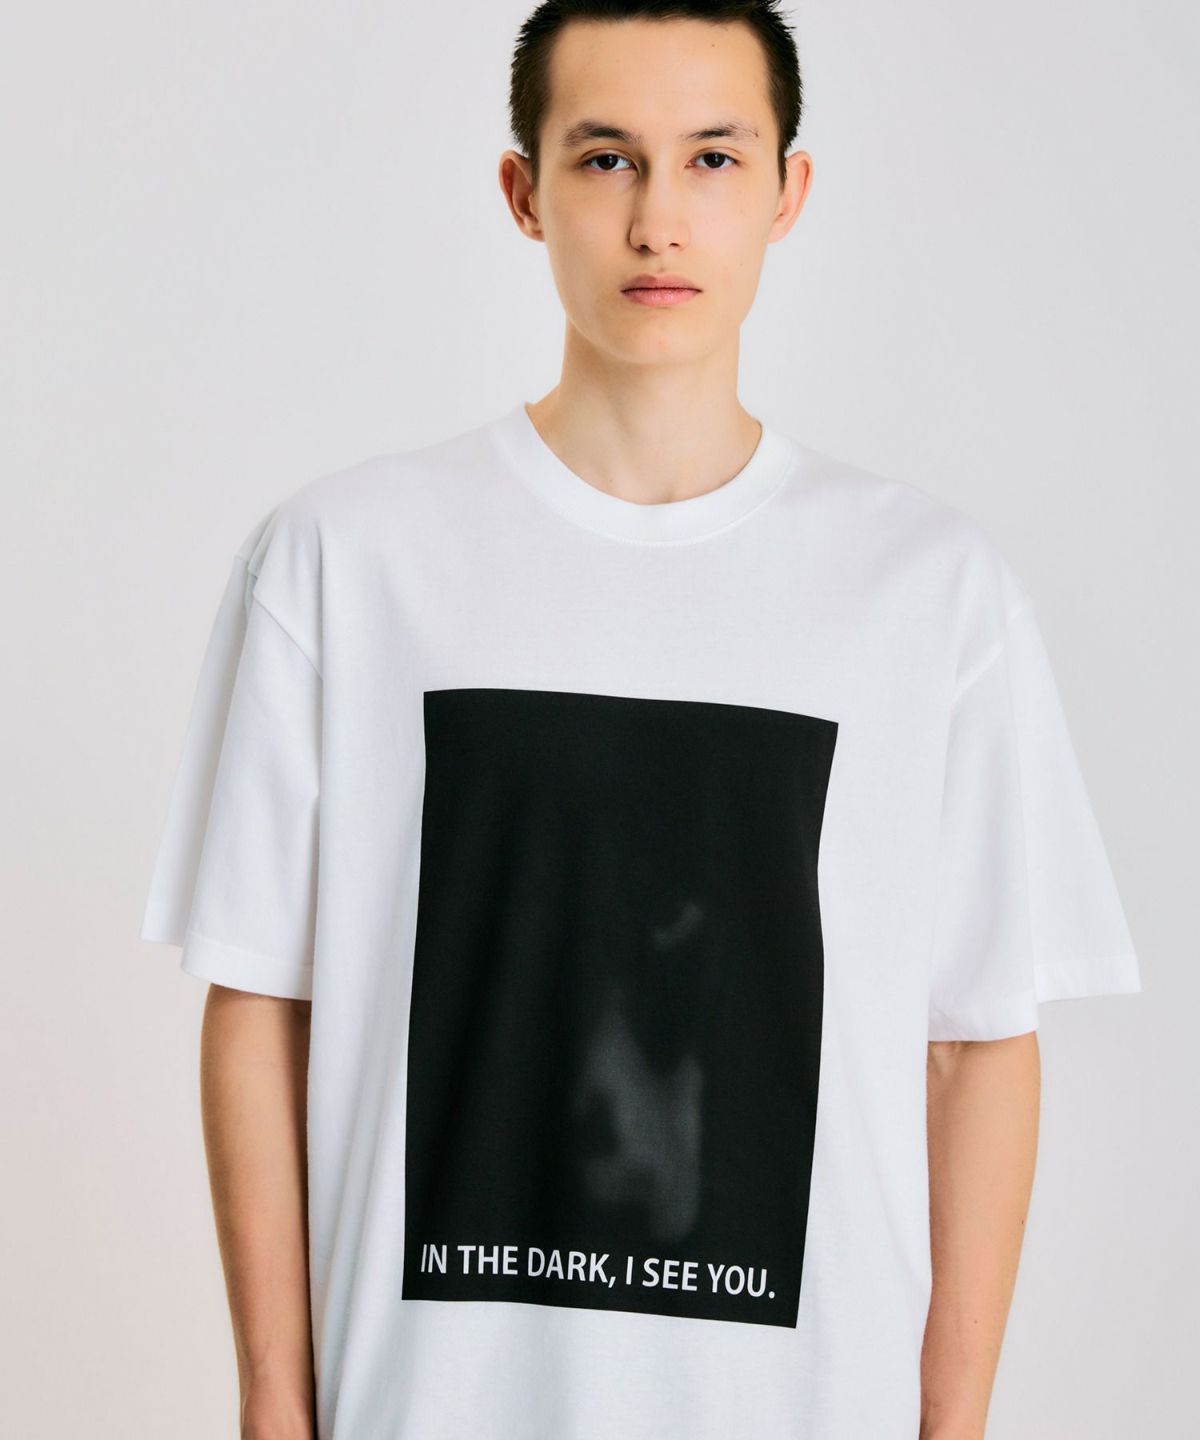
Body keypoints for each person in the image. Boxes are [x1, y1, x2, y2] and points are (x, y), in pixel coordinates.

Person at [138, 3, 1142, 1437]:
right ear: (524, 190)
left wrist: (953, 1421)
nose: (659, 218)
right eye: (606, 158)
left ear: (788, 192)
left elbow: (978, 1040)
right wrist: (274, 1410)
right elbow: (261, 1000)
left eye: (713, 159)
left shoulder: (929, 591)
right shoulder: (344, 562)